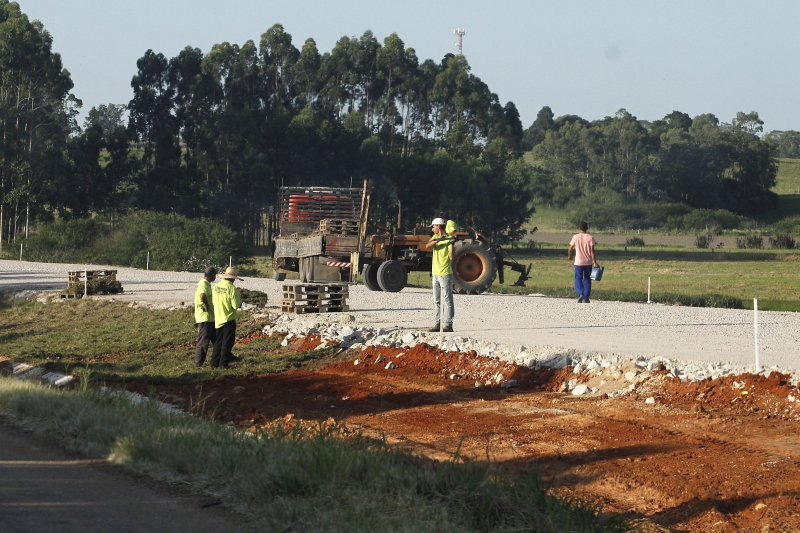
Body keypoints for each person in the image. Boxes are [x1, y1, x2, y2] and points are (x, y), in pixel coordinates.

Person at [424, 217, 455, 332]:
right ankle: (437, 323)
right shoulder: (435, 237)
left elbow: (452, 257)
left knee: (448, 300)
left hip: (445, 274)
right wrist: (438, 240)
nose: (432, 229)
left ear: (439, 226)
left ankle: (448, 325)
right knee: (436, 300)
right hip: (435, 274)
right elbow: (427, 246)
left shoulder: (448, 240)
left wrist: (451, 244)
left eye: (433, 226)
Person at [210, 266, 244, 368]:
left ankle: (214, 362)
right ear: (233, 278)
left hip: (218, 317)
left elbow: (213, 300)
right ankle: (223, 363)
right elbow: (235, 305)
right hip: (228, 318)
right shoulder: (232, 288)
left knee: (218, 342)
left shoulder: (216, 286)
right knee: (227, 342)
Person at [568, 221, 599, 303]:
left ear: (579, 228)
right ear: (586, 228)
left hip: (578, 261)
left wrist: (569, 256)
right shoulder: (590, 237)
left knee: (578, 278)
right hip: (588, 261)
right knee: (587, 279)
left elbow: (570, 248)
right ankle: (586, 297)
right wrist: (595, 262)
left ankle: (580, 293)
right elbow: (592, 251)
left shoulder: (575, 237)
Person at [193, 266, 217, 367]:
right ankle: (198, 364)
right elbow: (202, 295)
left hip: (209, 317)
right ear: (212, 276)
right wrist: (206, 305)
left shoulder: (206, 284)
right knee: (203, 341)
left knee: (217, 340)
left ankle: (224, 358)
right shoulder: (203, 284)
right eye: (215, 276)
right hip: (204, 317)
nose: (215, 278)